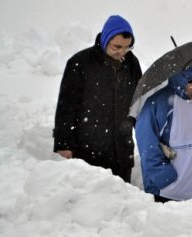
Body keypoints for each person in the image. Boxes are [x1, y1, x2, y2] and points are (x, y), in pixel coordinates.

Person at [53, 15, 142, 183]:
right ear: (106, 39)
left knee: (124, 204)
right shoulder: (80, 63)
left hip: (122, 151)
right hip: (89, 151)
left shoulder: (132, 63)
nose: (122, 52)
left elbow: (138, 101)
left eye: (127, 47)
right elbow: (67, 105)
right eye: (117, 46)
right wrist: (63, 143)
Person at [135, 62, 192, 203]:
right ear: (182, 79)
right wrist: (163, 178)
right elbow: (146, 144)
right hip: (170, 192)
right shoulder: (157, 103)